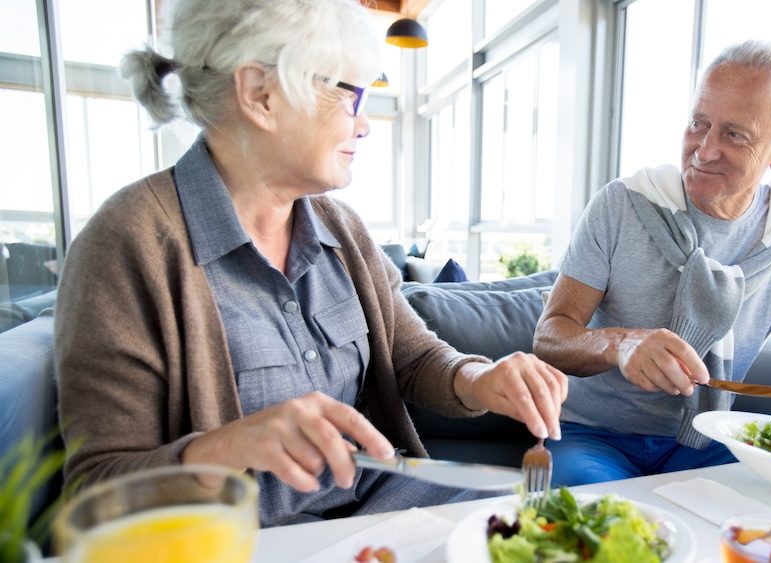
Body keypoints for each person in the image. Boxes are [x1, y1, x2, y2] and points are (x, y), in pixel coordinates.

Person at [55, 0, 566, 527]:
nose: (365, 124)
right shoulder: (127, 243)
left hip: (393, 512)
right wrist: (225, 448)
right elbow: (97, 489)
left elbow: (411, 359)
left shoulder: (342, 228)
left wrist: (478, 379)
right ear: (260, 95)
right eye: (351, 94)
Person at [533, 40, 771, 487]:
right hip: (592, 435)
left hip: (710, 441)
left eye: (734, 135)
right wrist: (621, 344)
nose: (704, 150)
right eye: (698, 123)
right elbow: (551, 335)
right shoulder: (622, 204)